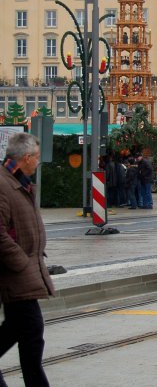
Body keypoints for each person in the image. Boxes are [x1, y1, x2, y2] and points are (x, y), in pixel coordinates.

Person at [0, 132, 54, 387]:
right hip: (15, 273)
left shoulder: (18, 182)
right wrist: (21, 263)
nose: (38, 162)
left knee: (21, 329)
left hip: (24, 270)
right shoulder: (4, 185)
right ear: (26, 158)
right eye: (36, 157)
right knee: (31, 330)